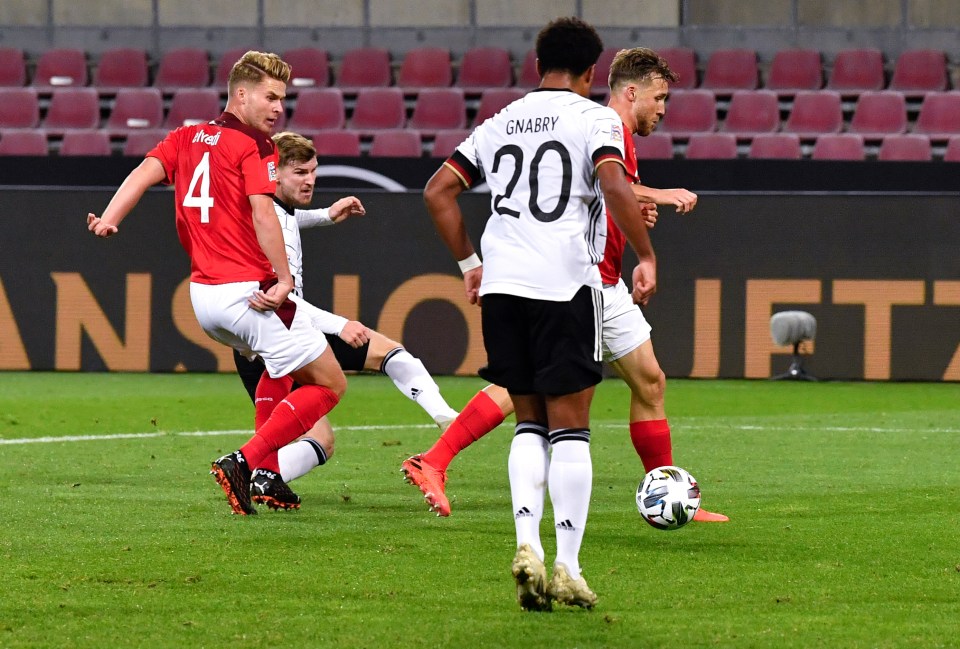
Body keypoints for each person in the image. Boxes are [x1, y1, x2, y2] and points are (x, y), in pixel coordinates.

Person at [403, 47, 728, 522]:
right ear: (630, 92)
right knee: (532, 387)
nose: (663, 109)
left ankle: (667, 490)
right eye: (659, 98)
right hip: (580, 280)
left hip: (607, 282)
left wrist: (633, 210)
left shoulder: (615, 132)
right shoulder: (597, 123)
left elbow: (605, 191)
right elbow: (605, 180)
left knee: (650, 381)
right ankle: (434, 460)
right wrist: (654, 195)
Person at [421, 17, 658, 612]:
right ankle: (568, 566)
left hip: (502, 288)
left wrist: (469, 263)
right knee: (570, 427)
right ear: (591, 73)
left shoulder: (498, 122)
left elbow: (437, 192)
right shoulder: (595, 118)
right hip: (564, 285)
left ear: (537, 67)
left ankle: (527, 543)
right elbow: (613, 184)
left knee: (527, 423)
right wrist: (648, 253)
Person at [87, 51, 345, 517]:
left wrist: (109, 218)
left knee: (277, 369)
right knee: (330, 384)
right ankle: (244, 463)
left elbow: (143, 174)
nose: (278, 108)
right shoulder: (256, 147)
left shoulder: (185, 136)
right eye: (270, 96)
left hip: (203, 297)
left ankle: (265, 477)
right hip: (248, 292)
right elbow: (265, 214)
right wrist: (285, 278)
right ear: (241, 95)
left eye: (283, 99)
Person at [237, 131, 459, 509]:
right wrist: (340, 325)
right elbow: (281, 297)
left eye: (313, 171)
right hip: (283, 333)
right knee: (388, 353)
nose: (310, 180)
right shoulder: (268, 222)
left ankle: (262, 475)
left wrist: (325, 215)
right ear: (275, 174)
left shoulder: (270, 211)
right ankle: (448, 420)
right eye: (299, 172)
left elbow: (288, 218)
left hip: (262, 343)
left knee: (322, 440)